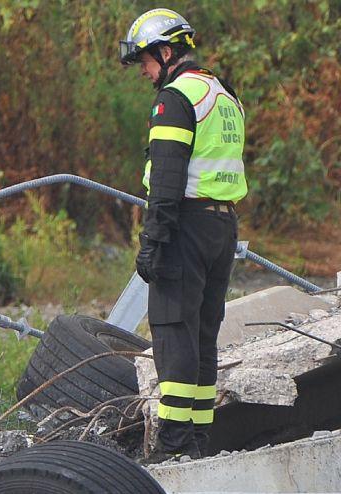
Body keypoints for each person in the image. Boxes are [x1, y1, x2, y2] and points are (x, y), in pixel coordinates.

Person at [119, 9, 246, 460]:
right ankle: (197, 442)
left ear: (167, 52)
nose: (146, 73)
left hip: (186, 227)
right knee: (201, 335)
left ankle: (172, 446)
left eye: (147, 62)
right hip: (222, 226)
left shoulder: (175, 98)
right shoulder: (223, 94)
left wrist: (153, 242)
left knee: (173, 330)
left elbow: (167, 180)